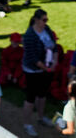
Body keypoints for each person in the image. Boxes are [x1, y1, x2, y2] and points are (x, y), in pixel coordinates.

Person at [23, 9, 57, 137]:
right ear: (36, 20)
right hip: (33, 70)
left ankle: (41, 117)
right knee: (30, 97)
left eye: (46, 20)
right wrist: (46, 68)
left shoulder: (47, 29)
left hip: (46, 68)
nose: (45, 22)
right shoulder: (29, 35)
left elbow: (54, 45)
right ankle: (27, 124)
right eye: (44, 20)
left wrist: (54, 61)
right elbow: (33, 58)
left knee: (42, 95)